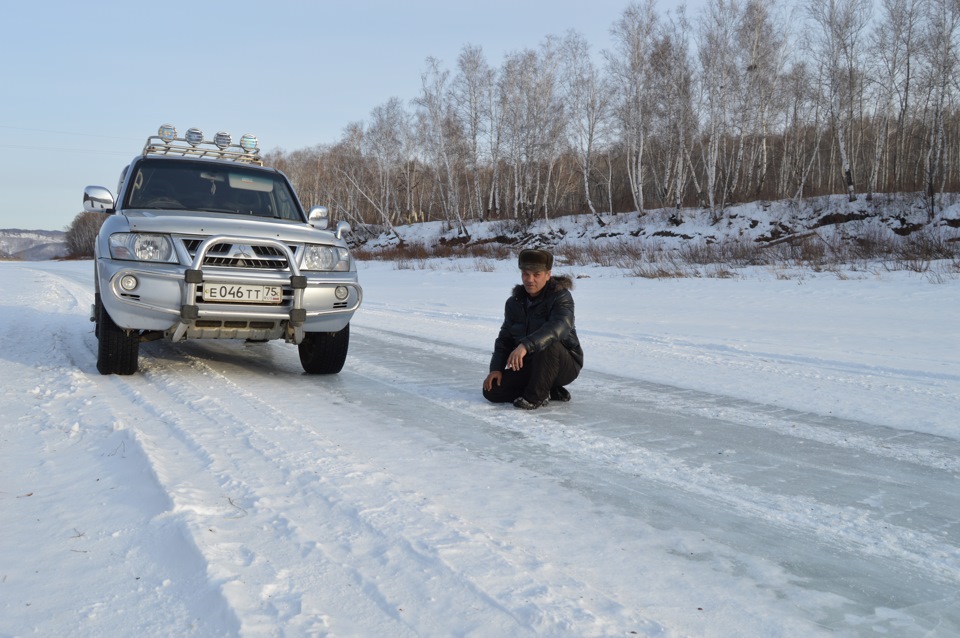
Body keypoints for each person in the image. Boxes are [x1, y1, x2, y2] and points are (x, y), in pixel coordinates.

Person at [483, 248, 583, 409]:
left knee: (547, 343)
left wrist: (525, 345)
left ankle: (535, 397)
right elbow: (505, 338)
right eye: (525, 274)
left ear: (547, 275)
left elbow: (559, 326)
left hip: (564, 363)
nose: (530, 280)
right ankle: (548, 390)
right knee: (491, 390)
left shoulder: (561, 297)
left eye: (536, 274)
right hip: (531, 365)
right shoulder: (514, 302)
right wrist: (496, 369)